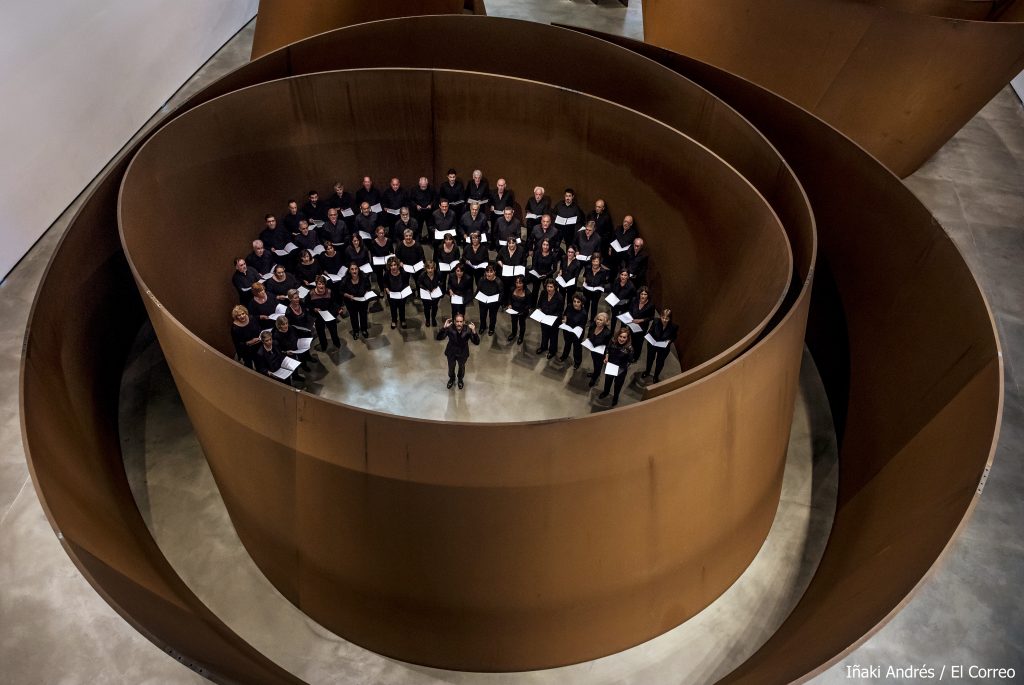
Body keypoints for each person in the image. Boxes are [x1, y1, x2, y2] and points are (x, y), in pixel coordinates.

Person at [436, 313, 480, 389]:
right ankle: (452, 379)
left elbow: (476, 342)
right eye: (457, 321)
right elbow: (439, 338)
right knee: (451, 367)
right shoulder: (449, 328)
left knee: (461, 367)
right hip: (451, 352)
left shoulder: (468, 330)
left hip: (463, 352)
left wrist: (474, 331)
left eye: (461, 321)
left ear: (464, 322)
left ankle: (460, 379)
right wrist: (444, 328)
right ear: (454, 321)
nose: (459, 323)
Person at [599, 326, 634, 405]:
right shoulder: (613, 341)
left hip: (621, 369)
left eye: (624, 337)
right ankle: (606, 392)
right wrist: (606, 357)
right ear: (617, 336)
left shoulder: (630, 349)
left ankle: (615, 397)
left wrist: (621, 369)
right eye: (620, 336)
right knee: (608, 381)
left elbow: (630, 361)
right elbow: (607, 349)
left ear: (627, 338)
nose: (621, 339)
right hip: (611, 365)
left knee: (618, 385)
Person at [642, 308, 678, 382]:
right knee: (650, 359)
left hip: (663, 348)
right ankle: (647, 371)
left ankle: (656, 376)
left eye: (667, 318)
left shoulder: (674, 327)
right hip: (653, 344)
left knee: (660, 362)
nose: (664, 320)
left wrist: (669, 341)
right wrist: (649, 336)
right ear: (661, 316)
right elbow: (650, 331)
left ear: (670, 319)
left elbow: (674, 337)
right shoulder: (656, 321)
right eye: (663, 317)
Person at [338, 262, 372, 338]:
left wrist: (366, 292)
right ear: (349, 271)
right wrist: (348, 295)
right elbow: (340, 291)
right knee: (353, 317)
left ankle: (364, 329)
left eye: (356, 269)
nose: (354, 271)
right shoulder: (345, 280)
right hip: (351, 302)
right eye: (352, 269)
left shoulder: (364, 277)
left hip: (363, 301)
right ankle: (356, 331)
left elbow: (368, 287)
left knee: (363, 315)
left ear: (358, 269)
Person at [308, 276, 342, 349]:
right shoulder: (311, 293)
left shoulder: (329, 291)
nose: (321, 286)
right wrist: (314, 309)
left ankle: (336, 343)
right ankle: (324, 345)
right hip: (318, 317)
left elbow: (334, 303)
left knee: (333, 331)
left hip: (329, 315)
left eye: (323, 284)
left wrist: (338, 309)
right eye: (319, 284)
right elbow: (308, 305)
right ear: (316, 284)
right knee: (321, 333)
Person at [558, 293, 588, 369]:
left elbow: (582, 325)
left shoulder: (583, 313)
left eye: (578, 302)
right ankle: (564, 356)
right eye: (574, 301)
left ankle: (577, 362)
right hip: (568, 330)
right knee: (567, 344)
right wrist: (565, 319)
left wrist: (576, 330)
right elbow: (565, 314)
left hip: (577, 333)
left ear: (582, 303)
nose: (575, 303)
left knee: (577, 348)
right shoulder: (569, 306)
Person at [535, 278, 564, 359]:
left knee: (553, 336)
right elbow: (539, 304)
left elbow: (560, 311)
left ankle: (552, 351)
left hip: (554, 321)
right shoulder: (543, 293)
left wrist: (551, 318)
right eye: (548, 286)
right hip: (543, 318)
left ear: (555, 287)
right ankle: (543, 347)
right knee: (544, 334)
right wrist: (539, 309)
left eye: (551, 287)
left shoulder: (559, 297)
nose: (549, 289)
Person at [625, 286, 655, 359]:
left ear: (648, 295)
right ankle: (631, 353)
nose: (643, 296)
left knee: (639, 343)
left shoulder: (651, 305)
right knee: (632, 339)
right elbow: (629, 310)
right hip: (632, 324)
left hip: (642, 327)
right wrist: (630, 317)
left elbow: (651, 317)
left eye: (645, 294)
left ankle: (636, 357)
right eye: (642, 294)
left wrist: (641, 320)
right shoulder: (634, 300)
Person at [585, 312, 613, 387]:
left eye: (601, 320)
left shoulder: (607, 333)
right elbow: (589, 335)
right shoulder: (593, 326)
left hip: (601, 353)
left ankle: (594, 378)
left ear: (605, 322)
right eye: (598, 319)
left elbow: (608, 346)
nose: (598, 321)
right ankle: (595, 373)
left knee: (598, 366)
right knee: (595, 363)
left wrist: (606, 356)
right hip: (593, 350)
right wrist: (588, 340)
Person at [582, 253, 611, 321]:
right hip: (587, 290)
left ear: (599, 262)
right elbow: (584, 276)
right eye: (593, 261)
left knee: (594, 307)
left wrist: (599, 287)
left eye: (596, 261)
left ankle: (592, 321)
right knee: (586, 306)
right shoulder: (588, 268)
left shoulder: (603, 271)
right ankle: (584, 320)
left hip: (596, 292)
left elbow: (603, 282)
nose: (595, 263)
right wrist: (584, 281)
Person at [475, 264, 503, 336]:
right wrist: (478, 296)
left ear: (494, 272)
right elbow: (478, 290)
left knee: (492, 317)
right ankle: (482, 326)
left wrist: (497, 302)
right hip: (483, 301)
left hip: (493, 303)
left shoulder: (498, 282)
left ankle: (491, 329)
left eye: (491, 271)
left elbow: (501, 294)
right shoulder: (482, 279)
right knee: (482, 315)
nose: (489, 274)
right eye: (487, 272)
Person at [383, 257, 410, 329]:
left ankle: (402, 320)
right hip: (392, 294)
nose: (393, 267)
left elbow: (406, 283)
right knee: (393, 308)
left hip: (401, 294)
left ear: (397, 265)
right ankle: (394, 320)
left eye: (394, 265)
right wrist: (387, 289)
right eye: (391, 265)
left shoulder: (403, 273)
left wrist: (404, 292)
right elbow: (385, 283)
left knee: (402, 308)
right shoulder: (387, 274)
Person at [555, 244, 582, 310]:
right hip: (562, 282)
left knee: (570, 300)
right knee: (561, 298)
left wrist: (569, 283)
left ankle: (567, 312)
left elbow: (576, 276)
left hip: (571, 284)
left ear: (574, 253)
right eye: (568, 252)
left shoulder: (577, 263)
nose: (569, 254)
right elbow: (561, 267)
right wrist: (560, 271)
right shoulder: (564, 258)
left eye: (572, 252)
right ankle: (560, 311)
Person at [417, 260, 444, 327]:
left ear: (434, 268)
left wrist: (436, 287)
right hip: (426, 294)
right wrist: (426, 289)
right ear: (426, 268)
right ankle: (427, 320)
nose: (430, 270)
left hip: (435, 293)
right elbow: (419, 283)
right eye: (428, 268)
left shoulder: (438, 274)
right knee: (426, 308)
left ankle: (433, 318)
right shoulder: (422, 275)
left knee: (435, 307)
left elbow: (442, 282)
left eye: (432, 268)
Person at [505, 275, 531, 345]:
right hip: (513, 310)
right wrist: (509, 304)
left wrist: (522, 311)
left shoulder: (528, 293)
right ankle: (513, 334)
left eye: (520, 283)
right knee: (514, 322)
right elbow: (509, 298)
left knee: (522, 324)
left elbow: (529, 305)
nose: (518, 285)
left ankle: (521, 337)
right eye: (517, 283)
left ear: (524, 283)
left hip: (522, 311)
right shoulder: (512, 289)